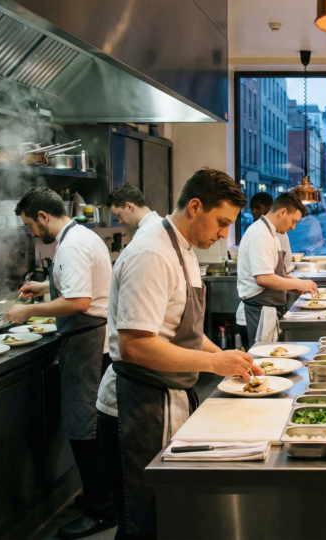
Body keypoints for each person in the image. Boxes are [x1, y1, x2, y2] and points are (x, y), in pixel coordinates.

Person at [95, 168, 262, 540]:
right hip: (134, 406)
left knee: (167, 515)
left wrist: (229, 358)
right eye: (221, 223)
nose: (223, 234)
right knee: (143, 522)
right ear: (195, 206)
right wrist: (215, 363)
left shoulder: (182, 249)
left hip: (165, 397)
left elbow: (181, 330)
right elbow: (135, 344)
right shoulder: (152, 253)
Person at [5, 187, 115, 539]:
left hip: (87, 339)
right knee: (92, 424)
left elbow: (80, 301)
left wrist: (27, 310)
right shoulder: (84, 235)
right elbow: (80, 288)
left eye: (30, 225)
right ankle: (103, 497)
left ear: (42, 216)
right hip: (95, 337)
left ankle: (101, 510)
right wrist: (45, 286)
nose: (32, 233)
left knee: (84, 427)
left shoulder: (70, 245)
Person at [236, 192, 317, 344]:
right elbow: (264, 279)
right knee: (260, 364)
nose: (293, 227)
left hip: (266, 312)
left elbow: (277, 275)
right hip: (257, 314)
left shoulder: (271, 234)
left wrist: (298, 285)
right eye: (293, 221)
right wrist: (299, 284)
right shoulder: (260, 234)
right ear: (282, 212)